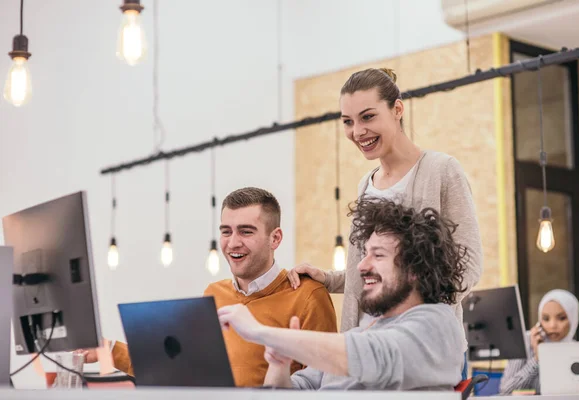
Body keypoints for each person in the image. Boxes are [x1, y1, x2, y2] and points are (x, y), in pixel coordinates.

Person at [287, 67, 483, 376]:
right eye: (348, 122)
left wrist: (414, 318)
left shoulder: (441, 171)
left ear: (397, 109)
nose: (357, 132)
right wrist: (328, 279)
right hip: (367, 346)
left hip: (423, 349)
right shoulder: (366, 184)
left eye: (367, 117)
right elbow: (375, 269)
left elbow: (468, 265)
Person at [81, 187, 338, 387]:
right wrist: (109, 351)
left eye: (246, 232)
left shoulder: (308, 296)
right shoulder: (214, 293)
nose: (233, 243)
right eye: (226, 231)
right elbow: (180, 370)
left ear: (275, 238)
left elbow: (323, 384)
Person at [218, 198, 467, 391]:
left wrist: (262, 332)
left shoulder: (437, 322)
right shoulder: (362, 332)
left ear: (415, 269)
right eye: (365, 253)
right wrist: (279, 364)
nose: (361, 265)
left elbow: (373, 356)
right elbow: (295, 390)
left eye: (378, 255)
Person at [499, 289, 579, 395]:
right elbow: (505, 391)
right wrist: (537, 359)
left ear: (573, 319)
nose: (552, 325)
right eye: (546, 319)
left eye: (561, 318)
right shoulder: (526, 342)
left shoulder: (576, 350)